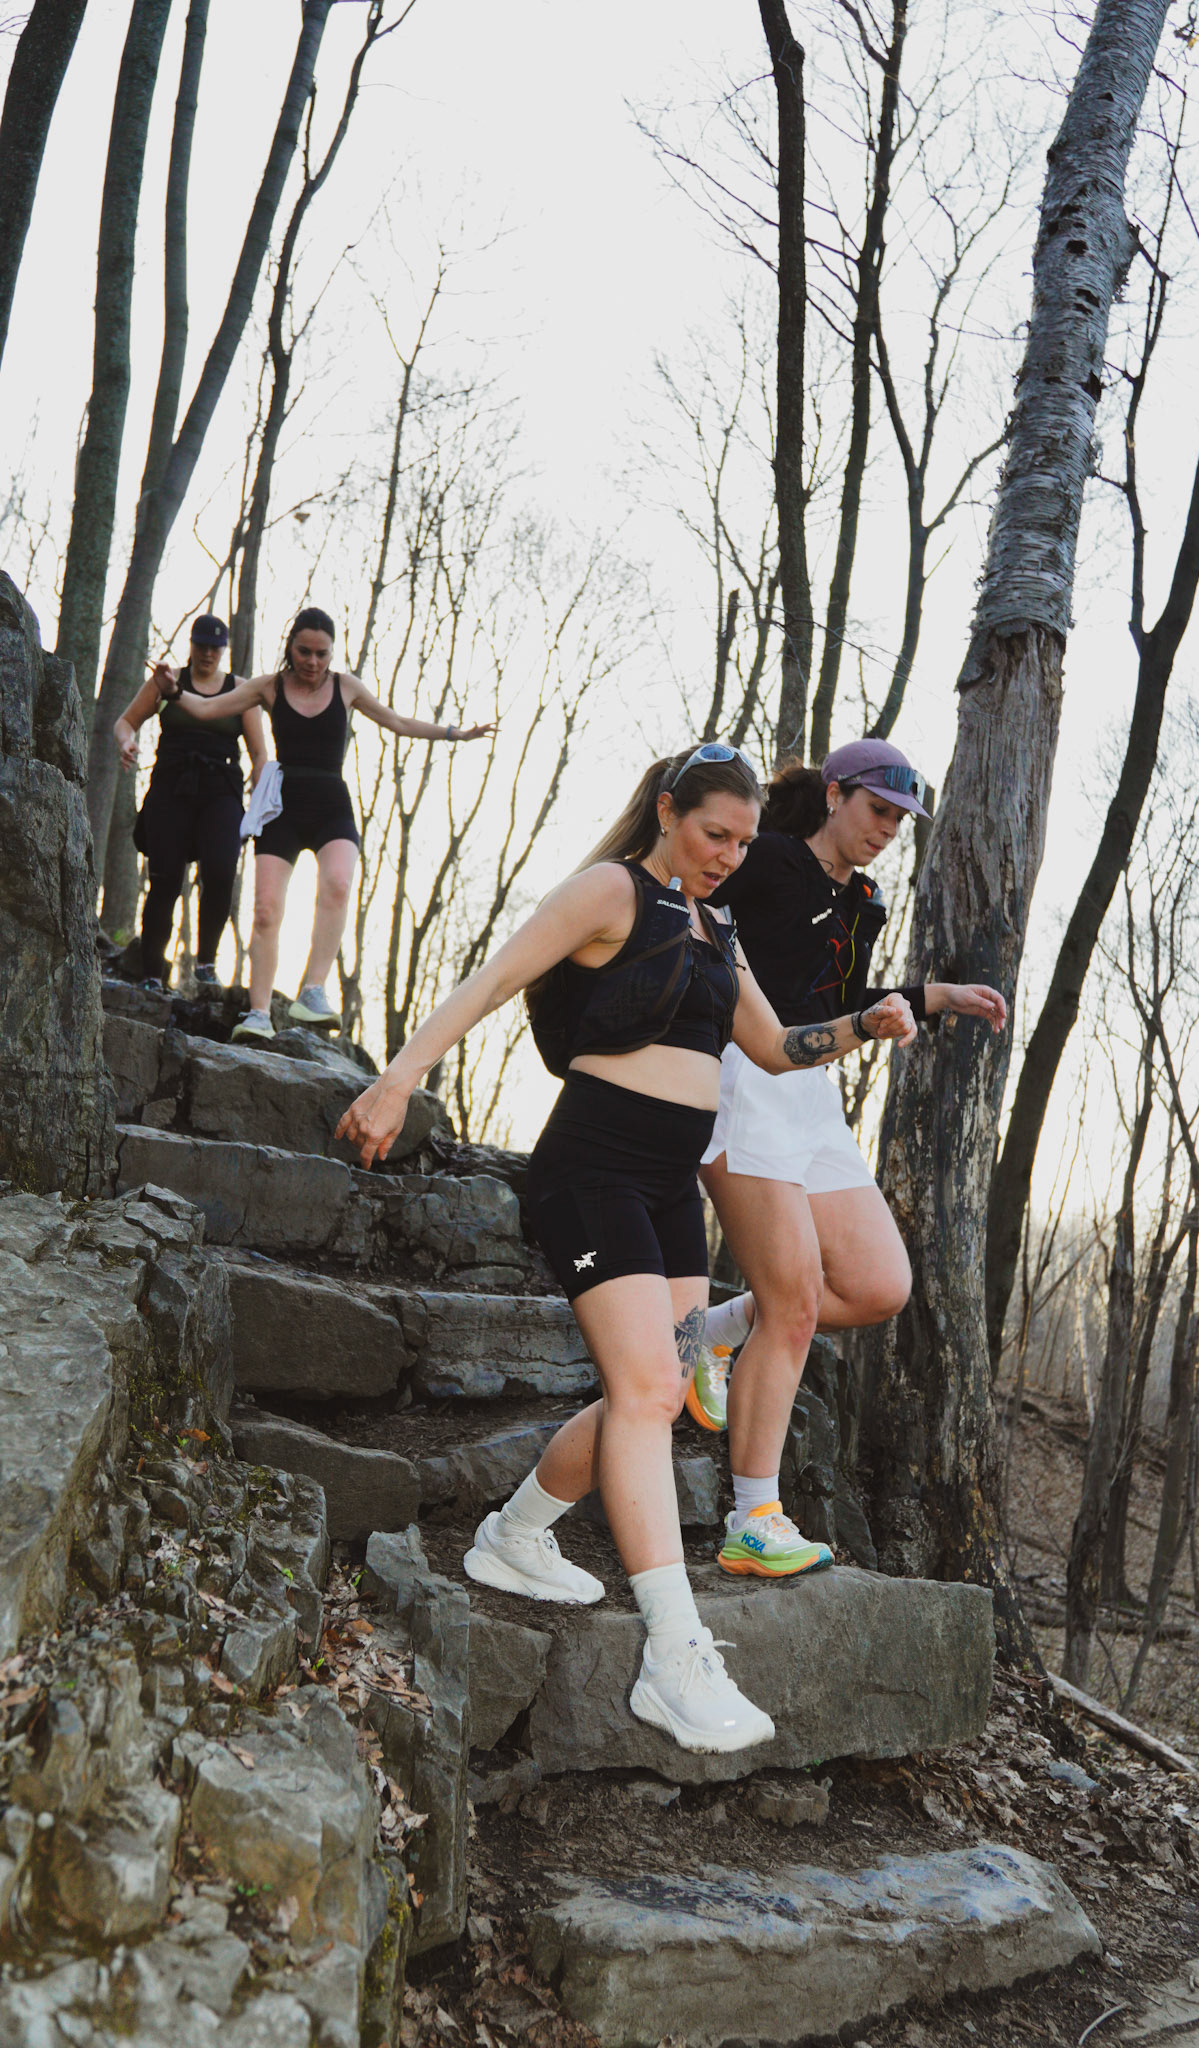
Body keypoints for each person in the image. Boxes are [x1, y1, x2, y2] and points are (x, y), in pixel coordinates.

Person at [333, 743, 916, 1756]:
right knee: (648, 1386)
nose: (728, 856)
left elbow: (775, 1047)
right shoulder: (611, 891)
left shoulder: (718, 925)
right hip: (591, 1173)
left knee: (662, 1384)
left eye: (744, 842)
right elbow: (491, 979)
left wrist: (863, 1024)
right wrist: (397, 1078)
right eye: (713, 834)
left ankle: (516, 1533)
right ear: (668, 811)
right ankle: (673, 1653)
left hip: (668, 1191)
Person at [692, 738, 1007, 1580]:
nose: (886, 831)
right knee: (792, 1304)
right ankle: (753, 1517)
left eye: (900, 822)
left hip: (811, 1096)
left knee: (876, 1285)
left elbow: (838, 1003)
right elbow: (695, 921)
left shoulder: (863, 901)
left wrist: (936, 997)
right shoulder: (765, 860)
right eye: (877, 811)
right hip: (743, 1080)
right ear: (834, 795)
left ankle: (710, 1334)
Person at [150, 606, 495, 1042]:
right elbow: (208, 708)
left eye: (321, 653)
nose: (312, 662)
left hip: (332, 805)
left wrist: (453, 733)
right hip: (283, 809)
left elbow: (397, 722)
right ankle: (258, 1014)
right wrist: (172, 692)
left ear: (332, 653)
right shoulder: (269, 687)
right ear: (291, 648)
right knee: (265, 910)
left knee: (337, 884)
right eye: (304, 652)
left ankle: (313, 991)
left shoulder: (346, 687)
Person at [114, 614, 267, 991]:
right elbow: (125, 722)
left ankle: (206, 964)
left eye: (215, 647)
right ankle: (152, 973)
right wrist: (126, 742)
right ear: (192, 645)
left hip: (221, 790)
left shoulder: (240, 689)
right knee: (164, 878)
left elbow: (260, 753)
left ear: (224, 650)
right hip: (172, 787)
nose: (208, 653)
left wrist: (260, 794)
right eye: (202, 645)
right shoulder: (167, 681)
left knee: (221, 869)